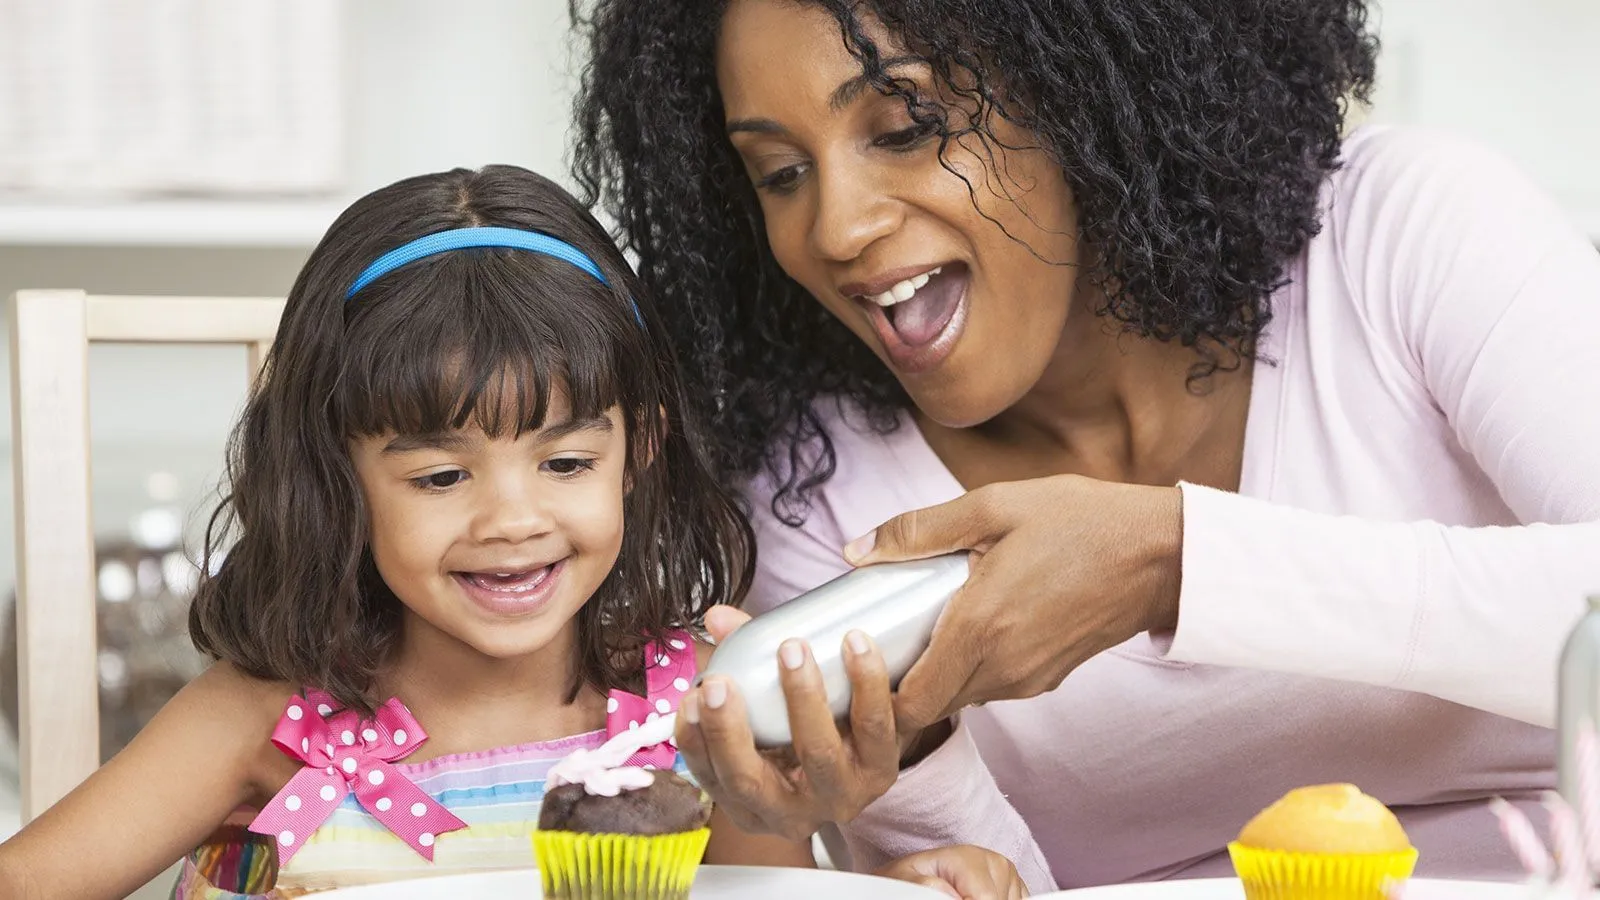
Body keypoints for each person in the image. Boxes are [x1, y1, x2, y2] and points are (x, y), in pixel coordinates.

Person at [570, 0, 1600, 891]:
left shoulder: (1401, 235)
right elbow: (1009, 888)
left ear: (1082, 93)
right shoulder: (819, 495)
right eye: (782, 172)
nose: (835, 228)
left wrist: (1174, 561)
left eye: (904, 125)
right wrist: (916, 759)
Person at [0, 166, 1025, 900]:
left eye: (568, 463)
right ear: (337, 474)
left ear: (643, 449)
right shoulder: (267, 721)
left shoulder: (699, 710)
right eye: (442, 474)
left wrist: (910, 885)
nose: (512, 520)